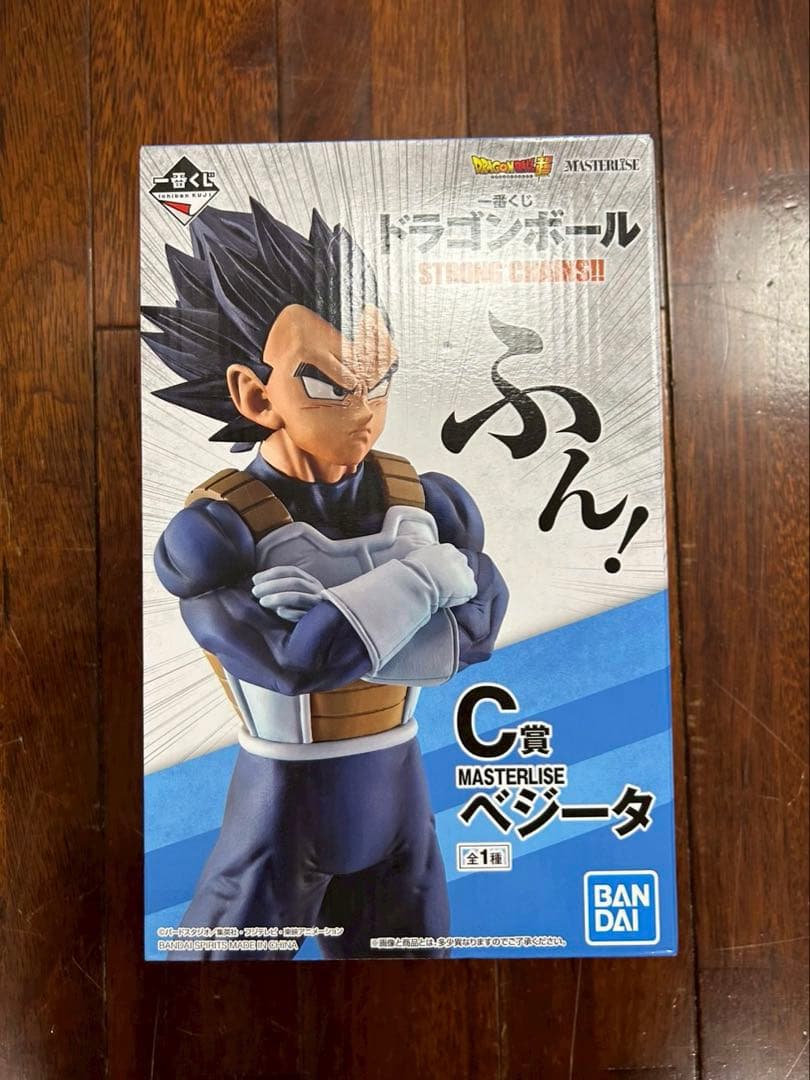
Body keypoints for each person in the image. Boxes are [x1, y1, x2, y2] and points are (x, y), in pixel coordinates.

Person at [143, 200, 508, 959]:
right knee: (208, 1004)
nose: (365, 412)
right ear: (254, 395)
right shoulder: (215, 536)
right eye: (333, 386)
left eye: (380, 380)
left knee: (417, 997)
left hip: (400, 803)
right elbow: (294, 667)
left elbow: (473, 640)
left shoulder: (428, 501)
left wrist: (339, 614)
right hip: (281, 815)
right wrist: (422, 581)